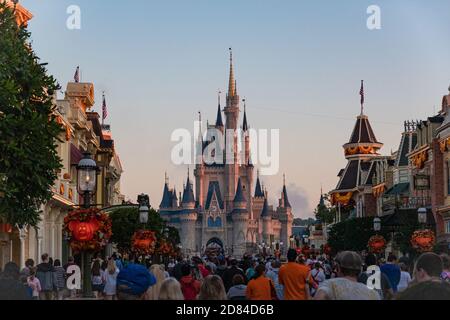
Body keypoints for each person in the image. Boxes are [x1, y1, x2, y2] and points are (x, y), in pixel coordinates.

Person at [314, 251, 380, 300]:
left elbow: (320, 296)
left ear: (338, 268)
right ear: (360, 269)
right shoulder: (373, 294)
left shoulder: (331, 285)